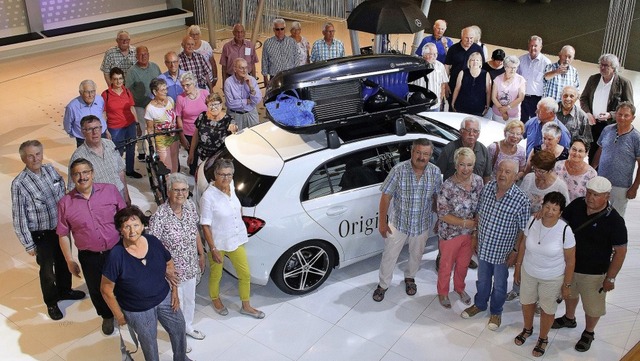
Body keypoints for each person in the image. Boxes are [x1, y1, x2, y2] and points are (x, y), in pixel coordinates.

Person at [101, 206, 190, 360]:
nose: (132, 230)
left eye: (136, 225)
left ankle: (181, 358)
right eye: (126, 226)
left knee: (179, 328)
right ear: (120, 230)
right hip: (138, 309)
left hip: (164, 297)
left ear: (143, 226)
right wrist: (120, 316)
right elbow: (106, 290)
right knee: (148, 341)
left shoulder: (153, 241)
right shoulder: (116, 255)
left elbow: (169, 263)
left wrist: (174, 291)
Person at [11, 140, 85, 320]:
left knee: (64, 261)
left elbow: (64, 193)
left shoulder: (51, 170)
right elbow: (19, 217)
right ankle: (51, 302)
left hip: (60, 229)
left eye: (37, 154)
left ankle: (65, 290)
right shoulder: (19, 184)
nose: (35, 158)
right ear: (23, 159)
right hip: (41, 234)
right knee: (47, 270)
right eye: (30, 155)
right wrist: (28, 244)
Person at [552, 176, 627, 352]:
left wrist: (611, 278)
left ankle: (588, 332)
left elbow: (621, 252)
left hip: (594, 272)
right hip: (570, 266)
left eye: (596, 195)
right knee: (570, 294)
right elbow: (561, 223)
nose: (591, 198)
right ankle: (569, 318)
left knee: (593, 306)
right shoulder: (578, 205)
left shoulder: (615, 221)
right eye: (589, 193)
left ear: (607, 196)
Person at [57, 158, 126, 335]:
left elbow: (125, 218)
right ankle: (107, 316)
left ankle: (128, 311)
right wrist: (69, 260)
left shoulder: (110, 191)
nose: (82, 177)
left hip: (116, 249)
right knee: (97, 289)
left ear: (92, 173)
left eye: (86, 172)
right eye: (77, 174)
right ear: (72, 177)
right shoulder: (65, 203)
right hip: (90, 256)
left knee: (124, 282)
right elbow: (63, 234)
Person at [460, 159, 530, 331]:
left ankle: (496, 312)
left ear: (515, 177)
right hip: (484, 247)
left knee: (499, 285)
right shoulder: (488, 188)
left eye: (508, 172)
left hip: (502, 252)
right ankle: (480, 305)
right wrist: (475, 236)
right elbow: (479, 216)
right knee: (482, 280)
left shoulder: (521, 200)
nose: (502, 174)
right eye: (500, 170)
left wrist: (515, 252)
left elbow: (523, 231)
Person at [372, 139, 442, 302]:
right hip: (399, 223)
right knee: (389, 255)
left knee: (416, 255)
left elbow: (436, 197)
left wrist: (439, 218)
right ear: (412, 152)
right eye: (418, 152)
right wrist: (382, 222)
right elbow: (386, 197)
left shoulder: (435, 172)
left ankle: (410, 278)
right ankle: (383, 285)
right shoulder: (398, 170)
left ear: (430, 155)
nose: (421, 157)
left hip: (422, 224)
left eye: (426, 154)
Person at [200, 159, 265, 318]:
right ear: (215, 174)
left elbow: (237, 206)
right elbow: (205, 225)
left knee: (245, 274)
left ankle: (246, 306)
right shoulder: (208, 197)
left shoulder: (232, 185)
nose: (226, 178)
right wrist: (213, 248)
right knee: (216, 275)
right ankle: (215, 299)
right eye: (222, 175)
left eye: (229, 175)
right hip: (218, 243)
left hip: (235, 239)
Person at [513, 192, 575, 357]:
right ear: (542, 206)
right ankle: (527, 329)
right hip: (529, 271)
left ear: (560, 212)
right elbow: (523, 246)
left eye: (555, 209)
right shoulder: (533, 221)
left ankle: (543, 338)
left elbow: (570, 261)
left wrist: (567, 285)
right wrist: (518, 268)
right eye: (547, 207)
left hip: (552, 278)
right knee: (527, 302)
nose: (550, 211)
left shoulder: (565, 231)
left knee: (548, 309)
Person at [149, 173, 206, 348]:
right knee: (176, 306)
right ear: (168, 192)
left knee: (190, 300)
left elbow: (194, 230)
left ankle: (188, 327)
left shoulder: (189, 207)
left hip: (191, 265)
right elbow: (153, 247)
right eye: (176, 190)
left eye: (184, 190)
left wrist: (201, 253)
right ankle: (179, 337)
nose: (180, 194)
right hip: (173, 272)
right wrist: (165, 270)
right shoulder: (160, 216)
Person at [436, 147, 483, 308]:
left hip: (469, 234)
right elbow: (442, 214)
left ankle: (459, 288)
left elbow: (480, 206)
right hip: (450, 234)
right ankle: (443, 292)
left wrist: (475, 226)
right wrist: (465, 223)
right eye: (462, 165)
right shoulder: (447, 186)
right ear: (456, 165)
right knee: (446, 265)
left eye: (469, 165)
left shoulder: (478, 181)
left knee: (463, 264)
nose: (466, 169)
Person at [580, 53, 634, 163]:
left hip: (611, 126)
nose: (602, 68)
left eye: (606, 65)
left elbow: (629, 107)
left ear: (614, 68)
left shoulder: (624, 83)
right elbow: (583, 98)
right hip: (593, 124)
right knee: (592, 154)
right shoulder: (593, 79)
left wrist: (611, 115)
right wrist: (588, 113)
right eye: (601, 65)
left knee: (607, 155)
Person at [68, 115, 132, 205]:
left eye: (97, 128)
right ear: (83, 132)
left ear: (101, 129)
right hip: (100, 202)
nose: (95, 132)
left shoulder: (110, 144)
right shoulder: (78, 157)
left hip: (119, 194)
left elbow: (120, 172)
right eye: (90, 129)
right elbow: (74, 188)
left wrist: (126, 196)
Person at [591, 102, 640, 217]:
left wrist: (635, 187)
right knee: (597, 216)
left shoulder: (636, 138)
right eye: (619, 114)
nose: (622, 118)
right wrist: (592, 170)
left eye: (626, 115)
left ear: (633, 118)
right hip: (601, 183)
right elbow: (600, 150)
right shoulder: (607, 130)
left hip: (621, 187)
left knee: (615, 219)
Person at [101, 67, 140, 179]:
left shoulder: (127, 91)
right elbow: (103, 113)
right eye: (115, 79)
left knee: (131, 148)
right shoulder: (106, 94)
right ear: (111, 80)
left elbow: (132, 108)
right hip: (115, 127)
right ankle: (116, 172)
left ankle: (130, 170)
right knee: (118, 150)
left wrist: (137, 124)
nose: (118, 81)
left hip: (130, 125)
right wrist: (105, 129)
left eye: (120, 78)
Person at [126, 46, 162, 161]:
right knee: (141, 129)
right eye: (140, 55)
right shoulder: (132, 71)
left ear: (149, 54)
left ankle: (157, 149)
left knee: (157, 128)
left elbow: (161, 83)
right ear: (136, 56)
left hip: (155, 105)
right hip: (140, 106)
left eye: (145, 54)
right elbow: (128, 90)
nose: (143, 56)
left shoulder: (155, 67)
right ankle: (141, 151)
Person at [188, 93, 238, 167]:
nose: (213, 107)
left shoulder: (228, 120)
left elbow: (235, 130)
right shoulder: (202, 116)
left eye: (216, 104)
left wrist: (234, 128)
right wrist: (191, 153)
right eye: (211, 105)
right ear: (207, 106)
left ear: (221, 105)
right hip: (203, 157)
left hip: (220, 160)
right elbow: (196, 135)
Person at [437, 116, 492, 183]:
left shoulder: (483, 150)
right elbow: (438, 173)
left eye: (475, 131)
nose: (471, 134)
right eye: (468, 130)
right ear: (461, 131)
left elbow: (487, 176)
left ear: (478, 134)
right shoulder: (449, 149)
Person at [176, 71, 209, 175]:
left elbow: (211, 111)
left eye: (187, 85)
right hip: (189, 132)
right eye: (183, 86)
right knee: (193, 161)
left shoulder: (205, 93)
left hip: (204, 131)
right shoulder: (180, 98)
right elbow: (179, 117)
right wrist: (182, 136)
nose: (185, 88)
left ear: (194, 83)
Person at [146, 78, 180, 173]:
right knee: (166, 166)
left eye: (166, 89)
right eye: (163, 90)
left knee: (175, 163)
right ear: (155, 92)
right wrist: (152, 146)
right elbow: (150, 130)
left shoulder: (170, 100)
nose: (166, 92)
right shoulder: (150, 108)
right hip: (161, 141)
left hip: (174, 138)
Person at [520, 150, 570, 214]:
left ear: (551, 170)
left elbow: (565, 210)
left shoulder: (560, 186)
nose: (536, 174)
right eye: (534, 169)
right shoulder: (529, 178)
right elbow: (519, 199)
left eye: (541, 171)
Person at [444, 27, 485, 104]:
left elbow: (481, 67)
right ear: (462, 36)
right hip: (454, 83)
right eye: (467, 38)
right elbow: (447, 66)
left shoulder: (478, 49)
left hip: (471, 86)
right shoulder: (453, 49)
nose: (469, 41)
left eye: (471, 38)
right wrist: (446, 84)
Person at [63, 80, 109, 147]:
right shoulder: (71, 107)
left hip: (101, 136)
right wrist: (77, 134)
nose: (90, 95)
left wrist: (106, 130)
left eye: (93, 91)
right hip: (83, 140)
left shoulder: (100, 100)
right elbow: (67, 126)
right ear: (81, 93)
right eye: (87, 92)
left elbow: (102, 115)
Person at [518, 36, 551, 123]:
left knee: (535, 123)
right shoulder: (521, 60)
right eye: (531, 45)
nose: (533, 48)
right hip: (522, 97)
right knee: (521, 123)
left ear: (541, 47)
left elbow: (548, 84)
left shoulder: (546, 63)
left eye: (535, 46)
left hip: (536, 100)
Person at [224, 58, 262, 130]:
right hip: (235, 115)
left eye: (246, 68)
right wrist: (247, 101)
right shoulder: (228, 82)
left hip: (251, 114)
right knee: (236, 138)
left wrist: (250, 86)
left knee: (254, 137)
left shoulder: (252, 80)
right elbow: (230, 103)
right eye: (242, 68)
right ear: (235, 69)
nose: (245, 70)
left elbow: (257, 100)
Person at [451, 52, 491, 117]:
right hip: (461, 107)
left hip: (478, 109)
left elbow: (488, 91)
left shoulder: (486, 74)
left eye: (477, 60)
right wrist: (453, 102)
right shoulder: (462, 73)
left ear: (480, 62)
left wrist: (487, 106)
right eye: (473, 60)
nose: (475, 62)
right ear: (469, 62)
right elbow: (457, 88)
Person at [261, 19, 298, 84]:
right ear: (274, 30)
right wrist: (265, 78)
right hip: (275, 78)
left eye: (282, 29)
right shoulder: (267, 43)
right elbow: (264, 61)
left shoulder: (292, 42)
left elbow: (296, 59)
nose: (280, 31)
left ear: (285, 29)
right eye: (277, 29)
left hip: (290, 77)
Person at [490, 55, 526, 122]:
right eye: (510, 67)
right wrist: (503, 112)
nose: (513, 70)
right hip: (498, 114)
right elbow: (493, 98)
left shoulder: (521, 80)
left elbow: (521, 97)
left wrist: (507, 108)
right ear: (505, 67)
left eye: (515, 67)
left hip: (514, 116)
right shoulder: (497, 79)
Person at [415, 42, 448, 111]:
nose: (433, 56)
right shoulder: (416, 65)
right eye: (430, 54)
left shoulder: (440, 66)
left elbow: (443, 85)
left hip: (435, 105)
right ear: (423, 54)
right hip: (419, 105)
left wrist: (440, 100)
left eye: (435, 54)